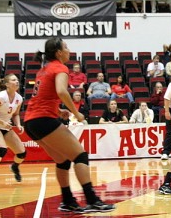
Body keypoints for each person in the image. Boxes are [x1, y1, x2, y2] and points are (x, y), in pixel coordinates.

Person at [23, 37, 115, 213]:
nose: (69, 50)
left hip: (31, 121)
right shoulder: (60, 68)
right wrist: (76, 112)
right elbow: (61, 91)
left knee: (63, 160)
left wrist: (58, 111)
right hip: (43, 120)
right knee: (80, 155)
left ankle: (67, 200)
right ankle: (92, 200)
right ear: (58, 52)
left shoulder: (43, 70)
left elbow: (42, 97)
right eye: (66, 47)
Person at [0, 74, 25, 189]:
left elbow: (15, 114)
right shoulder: (1, 96)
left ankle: (14, 167)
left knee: (21, 153)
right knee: (1, 149)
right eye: (13, 80)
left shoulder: (19, 98)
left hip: (6, 127)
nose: (17, 81)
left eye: (17, 79)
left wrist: (18, 124)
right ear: (7, 84)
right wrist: (1, 123)